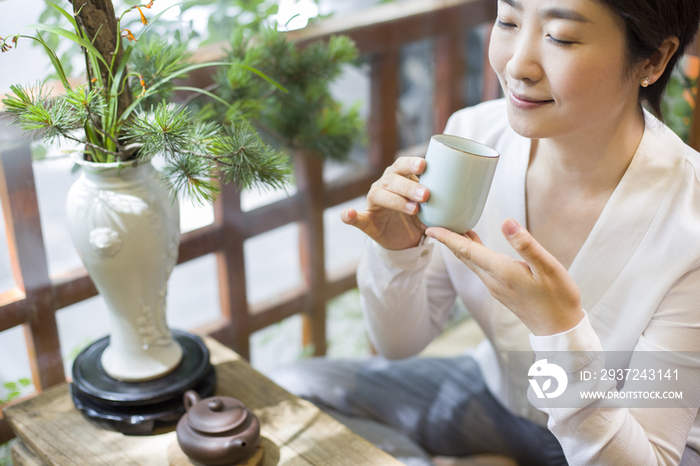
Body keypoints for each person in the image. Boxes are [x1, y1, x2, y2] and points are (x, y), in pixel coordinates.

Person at [271, 0, 700, 464]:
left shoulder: (689, 221)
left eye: (561, 37)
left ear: (653, 60)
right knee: (295, 391)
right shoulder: (476, 138)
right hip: (497, 398)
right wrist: (398, 254)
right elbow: (399, 345)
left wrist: (559, 329)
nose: (517, 64)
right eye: (508, 21)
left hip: (619, 438)